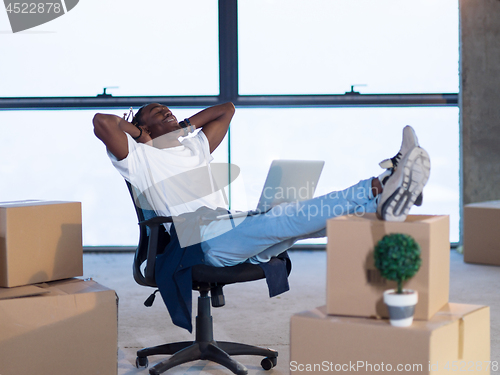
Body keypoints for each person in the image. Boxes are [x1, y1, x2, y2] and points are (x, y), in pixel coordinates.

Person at [93, 102, 430, 331]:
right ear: (141, 125)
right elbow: (102, 122)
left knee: (301, 222)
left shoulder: (191, 147)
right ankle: (379, 186)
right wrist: (141, 136)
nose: (167, 111)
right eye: (156, 112)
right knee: (289, 219)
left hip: (227, 226)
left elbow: (227, 110)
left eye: (168, 109)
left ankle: (381, 197)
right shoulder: (138, 159)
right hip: (198, 240)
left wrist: (183, 128)